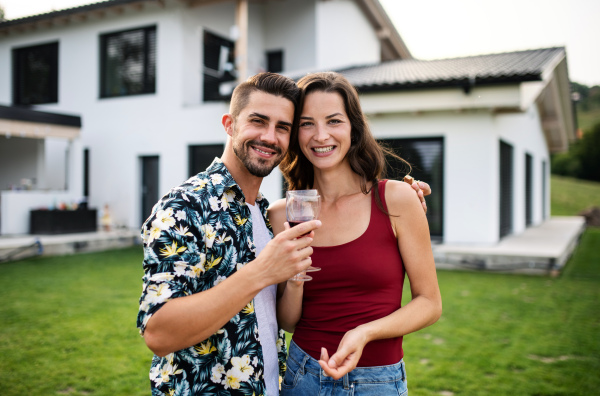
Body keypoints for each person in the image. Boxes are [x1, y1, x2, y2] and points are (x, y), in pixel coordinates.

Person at [136, 72, 322, 396]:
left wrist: (394, 197)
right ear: (229, 124)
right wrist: (262, 272)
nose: (269, 136)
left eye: (282, 127)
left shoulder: (267, 214)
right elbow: (159, 332)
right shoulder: (184, 206)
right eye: (258, 121)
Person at [269, 72, 442, 395]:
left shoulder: (396, 199)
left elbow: (430, 303)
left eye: (333, 121)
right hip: (302, 376)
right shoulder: (283, 214)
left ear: (354, 127)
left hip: (378, 381)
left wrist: (365, 333)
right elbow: (289, 322)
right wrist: (294, 280)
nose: (320, 136)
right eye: (307, 124)